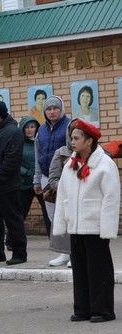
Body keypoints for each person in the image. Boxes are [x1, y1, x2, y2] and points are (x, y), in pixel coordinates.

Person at [53, 120, 119, 323]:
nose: (72, 142)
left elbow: (111, 198)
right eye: (71, 138)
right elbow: (63, 194)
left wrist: (107, 229)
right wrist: (62, 223)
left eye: (76, 138)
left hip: (95, 226)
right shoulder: (70, 164)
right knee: (80, 269)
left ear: (89, 141)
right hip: (76, 226)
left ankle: (103, 309)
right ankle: (82, 308)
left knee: (98, 269)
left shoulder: (105, 164)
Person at [0, 100, 27, 265]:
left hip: (8, 186)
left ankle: (19, 253)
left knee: (13, 220)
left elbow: (11, 161)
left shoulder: (13, 132)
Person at [34, 96, 71, 266]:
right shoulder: (41, 130)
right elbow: (37, 155)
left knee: (68, 215)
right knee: (54, 217)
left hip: (65, 178)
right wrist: (37, 179)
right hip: (46, 179)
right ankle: (64, 253)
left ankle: (74, 253)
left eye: (55, 108)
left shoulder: (69, 126)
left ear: (61, 109)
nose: (52, 111)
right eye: (48, 109)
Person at [18, 117, 40, 224]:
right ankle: (13, 240)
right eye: (26, 127)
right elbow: (13, 161)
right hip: (24, 184)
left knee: (49, 214)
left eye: (32, 127)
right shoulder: (18, 143)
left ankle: (54, 240)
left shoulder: (40, 142)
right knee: (20, 215)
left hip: (40, 184)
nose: (29, 130)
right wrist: (25, 172)